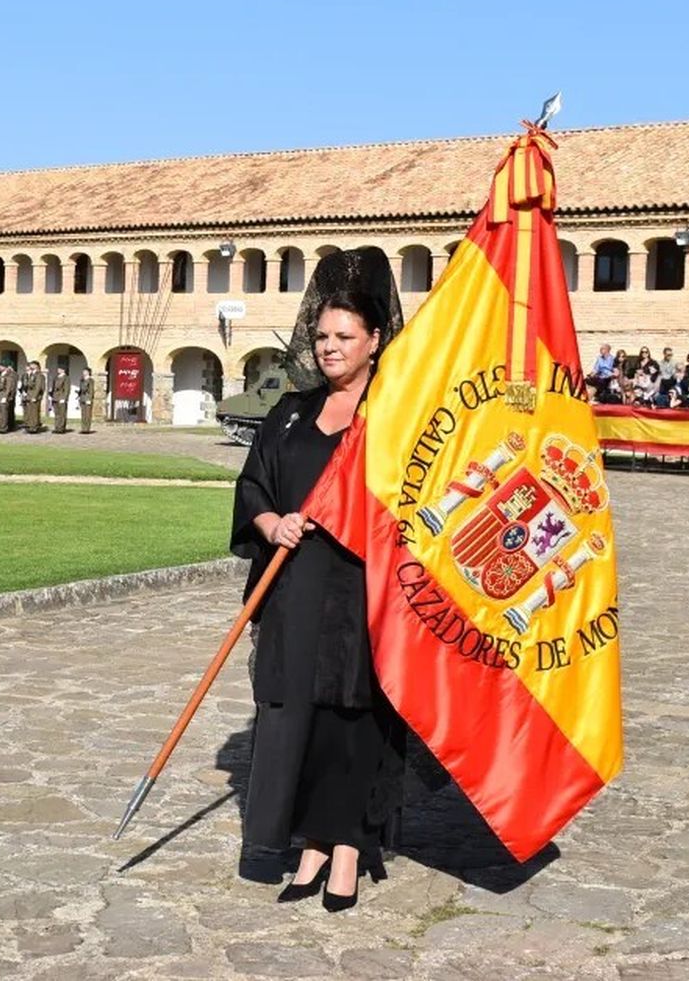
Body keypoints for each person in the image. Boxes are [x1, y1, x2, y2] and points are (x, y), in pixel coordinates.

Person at [230, 248, 406, 914]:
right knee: (294, 714)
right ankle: (309, 843)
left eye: (344, 337)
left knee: (353, 718)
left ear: (375, 340)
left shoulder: (391, 419)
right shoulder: (291, 413)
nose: (330, 348)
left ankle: (350, 846)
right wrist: (271, 521)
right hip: (297, 587)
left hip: (364, 586)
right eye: (322, 336)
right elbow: (254, 482)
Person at [50, 367, 70, 433]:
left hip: (61, 397)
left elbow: (67, 389)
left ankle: (61, 428)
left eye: (59, 369)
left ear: (63, 370)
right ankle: (57, 427)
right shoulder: (56, 377)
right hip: (55, 397)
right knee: (57, 413)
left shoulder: (66, 378)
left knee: (62, 413)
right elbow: (53, 387)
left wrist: (64, 398)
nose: (58, 370)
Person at [78, 367, 95, 433]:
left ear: (88, 372)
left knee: (87, 414)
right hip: (82, 398)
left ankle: (87, 429)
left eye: (85, 371)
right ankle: (83, 428)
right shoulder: (82, 380)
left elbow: (91, 390)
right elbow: (80, 389)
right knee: (83, 414)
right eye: (83, 371)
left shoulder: (90, 380)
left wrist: (90, 399)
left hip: (87, 398)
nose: (83, 372)